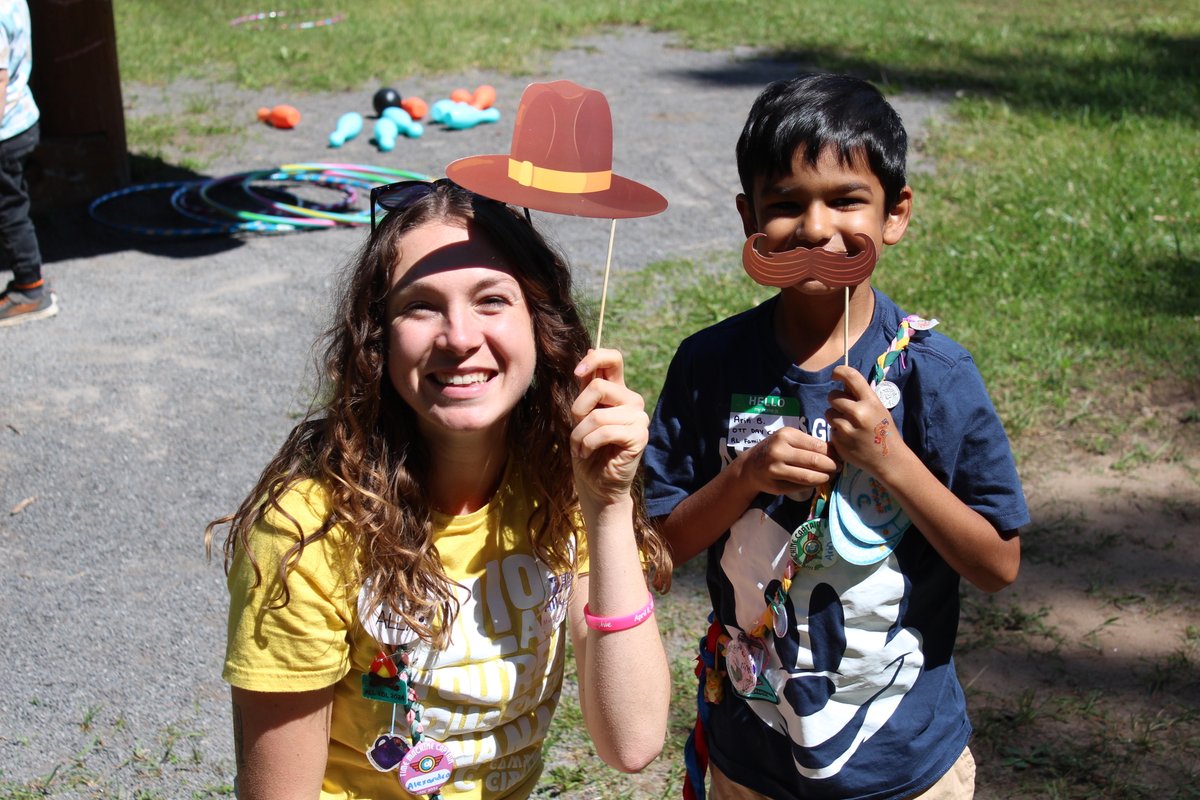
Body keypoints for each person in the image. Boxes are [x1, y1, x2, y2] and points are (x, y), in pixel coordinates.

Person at [209, 178, 671, 800]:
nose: (458, 337)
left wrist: (608, 507)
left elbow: (633, 739)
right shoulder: (304, 529)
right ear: (378, 339)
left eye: (490, 300)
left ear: (540, 323)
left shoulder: (567, 483)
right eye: (421, 305)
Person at [644, 73, 1030, 799]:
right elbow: (658, 549)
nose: (816, 229)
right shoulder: (708, 366)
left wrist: (893, 463)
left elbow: (997, 564)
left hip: (907, 768)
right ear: (748, 218)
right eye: (786, 205)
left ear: (896, 214)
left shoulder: (934, 375)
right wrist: (743, 478)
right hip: (751, 761)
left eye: (846, 199)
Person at [0, 0, 55, 327]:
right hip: (21, 120)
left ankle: (30, 289)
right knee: (11, 207)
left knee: (9, 213)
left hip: (3, 132)